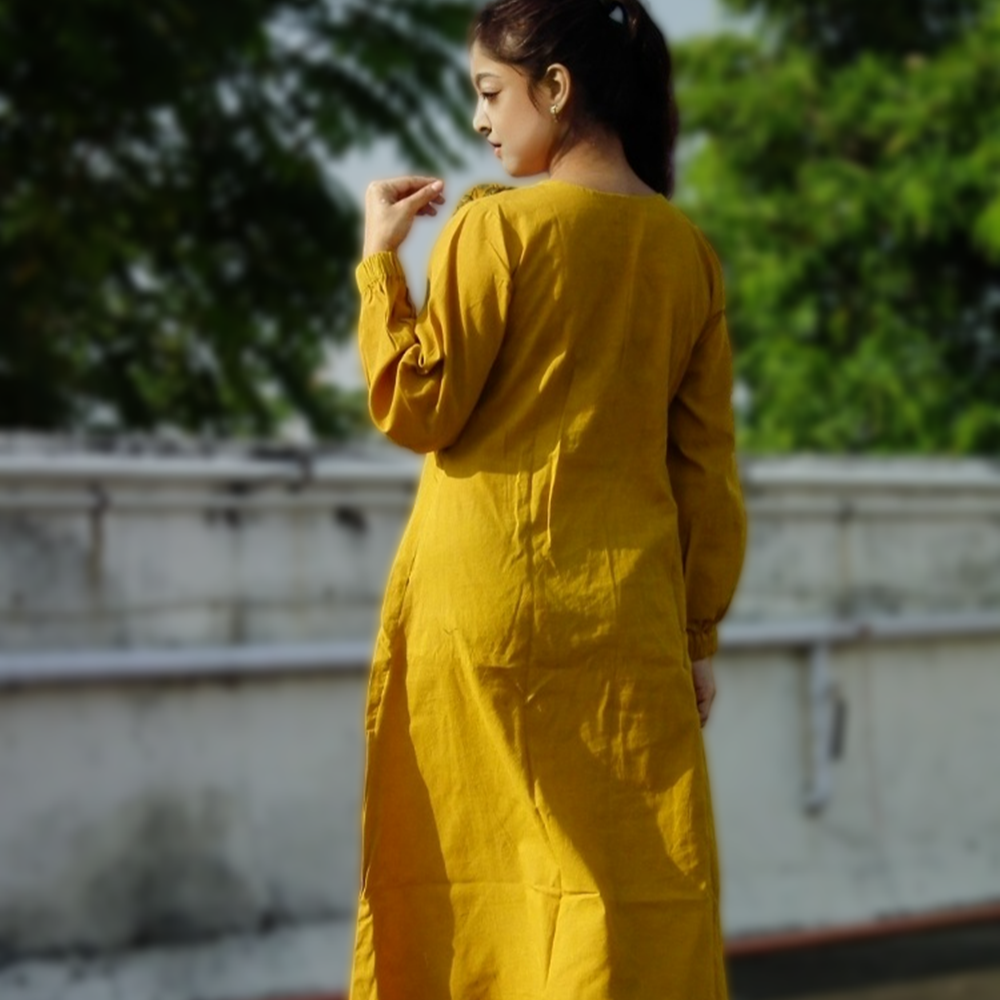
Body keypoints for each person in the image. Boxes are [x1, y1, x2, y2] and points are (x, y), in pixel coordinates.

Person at [349, 0, 747, 996]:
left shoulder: (495, 229)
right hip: (626, 625)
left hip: (483, 610)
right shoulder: (687, 253)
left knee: (474, 882)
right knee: (627, 893)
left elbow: (418, 406)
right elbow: (704, 468)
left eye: (490, 92)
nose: (479, 121)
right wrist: (698, 634)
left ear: (556, 88)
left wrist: (380, 264)